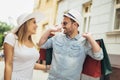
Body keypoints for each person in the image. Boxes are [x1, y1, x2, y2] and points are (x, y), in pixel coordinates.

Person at [38, 9, 104, 80]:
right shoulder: (57, 37)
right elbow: (41, 45)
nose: (62, 26)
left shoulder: (83, 42)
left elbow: (99, 56)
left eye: (65, 23)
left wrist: (91, 38)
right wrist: (49, 30)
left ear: (75, 25)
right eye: (62, 23)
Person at [3, 12, 47, 80]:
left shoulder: (32, 43)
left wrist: (48, 67)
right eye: (34, 22)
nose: (37, 25)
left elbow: (29, 64)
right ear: (26, 24)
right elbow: (8, 64)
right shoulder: (11, 38)